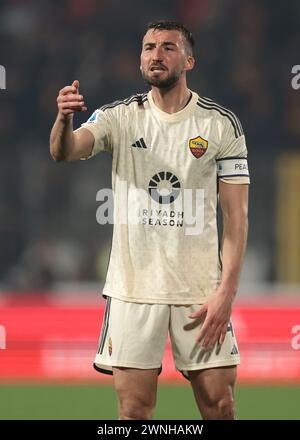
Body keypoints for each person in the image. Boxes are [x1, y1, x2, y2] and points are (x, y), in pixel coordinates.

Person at [50, 20, 249, 420]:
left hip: (199, 292)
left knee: (221, 406)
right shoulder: (119, 117)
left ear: (189, 59)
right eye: (148, 47)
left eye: (168, 47)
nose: (156, 54)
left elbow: (236, 217)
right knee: (134, 411)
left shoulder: (219, 124)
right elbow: (66, 152)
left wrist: (226, 292)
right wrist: (63, 120)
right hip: (133, 291)